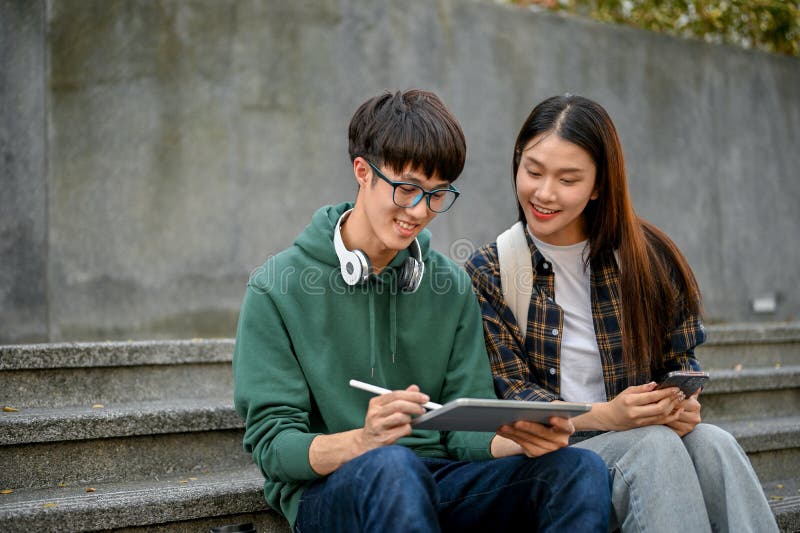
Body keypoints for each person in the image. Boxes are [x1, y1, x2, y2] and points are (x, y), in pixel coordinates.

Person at [233, 89, 611, 532]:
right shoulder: (276, 287)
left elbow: (462, 434)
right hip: (334, 488)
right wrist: (363, 441)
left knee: (577, 470)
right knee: (392, 467)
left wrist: (515, 438)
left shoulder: (450, 285)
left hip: (436, 479)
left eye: (436, 195)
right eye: (407, 188)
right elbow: (275, 448)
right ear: (362, 171)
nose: (419, 210)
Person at [465, 94, 778, 533]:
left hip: (642, 437)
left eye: (568, 179)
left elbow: (680, 357)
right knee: (651, 447)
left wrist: (679, 402)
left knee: (715, 444)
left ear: (598, 186)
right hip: (561, 460)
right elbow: (511, 393)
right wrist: (607, 415)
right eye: (533, 171)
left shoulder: (647, 256)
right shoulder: (491, 270)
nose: (544, 192)